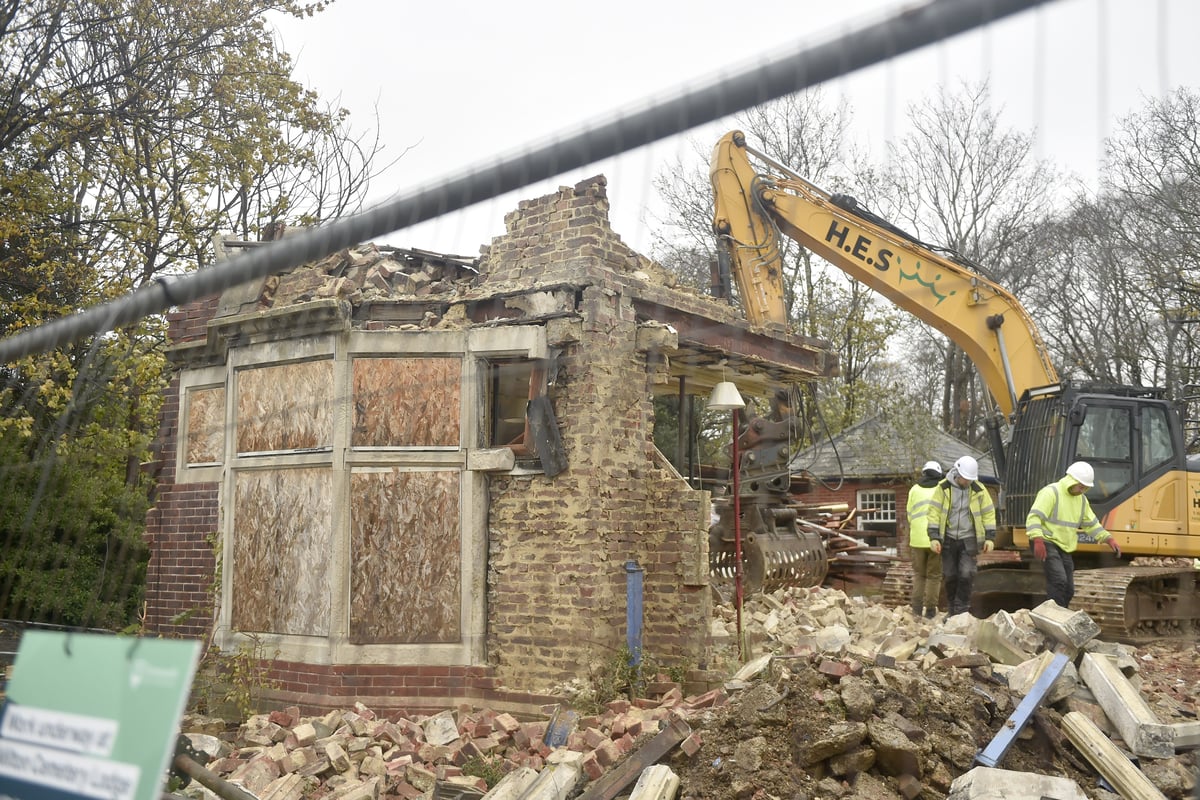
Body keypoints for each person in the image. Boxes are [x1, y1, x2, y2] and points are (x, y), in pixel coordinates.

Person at [1025, 461, 1122, 608]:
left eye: (1085, 488)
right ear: (1072, 480)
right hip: (1046, 541)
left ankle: (1061, 614)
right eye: (1081, 486)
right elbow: (1034, 517)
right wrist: (1037, 539)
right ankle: (1054, 616)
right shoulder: (1051, 492)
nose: (1082, 490)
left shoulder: (1081, 500)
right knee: (1058, 580)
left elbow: (1091, 524)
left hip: (1064, 545)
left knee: (1069, 589)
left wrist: (1108, 538)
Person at [927, 455, 997, 617]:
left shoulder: (979, 490)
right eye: (964, 478)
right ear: (957, 472)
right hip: (948, 538)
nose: (966, 482)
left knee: (966, 574)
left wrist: (990, 537)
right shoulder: (943, 488)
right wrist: (934, 536)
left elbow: (988, 514)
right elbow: (934, 512)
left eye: (969, 479)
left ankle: (962, 611)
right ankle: (952, 610)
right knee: (950, 575)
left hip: (969, 539)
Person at [905, 460, 944, 618]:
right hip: (936, 540)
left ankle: (916, 610)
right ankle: (929, 611)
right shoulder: (942, 489)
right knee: (934, 576)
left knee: (919, 575)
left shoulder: (914, 489)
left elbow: (909, 515)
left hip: (917, 540)